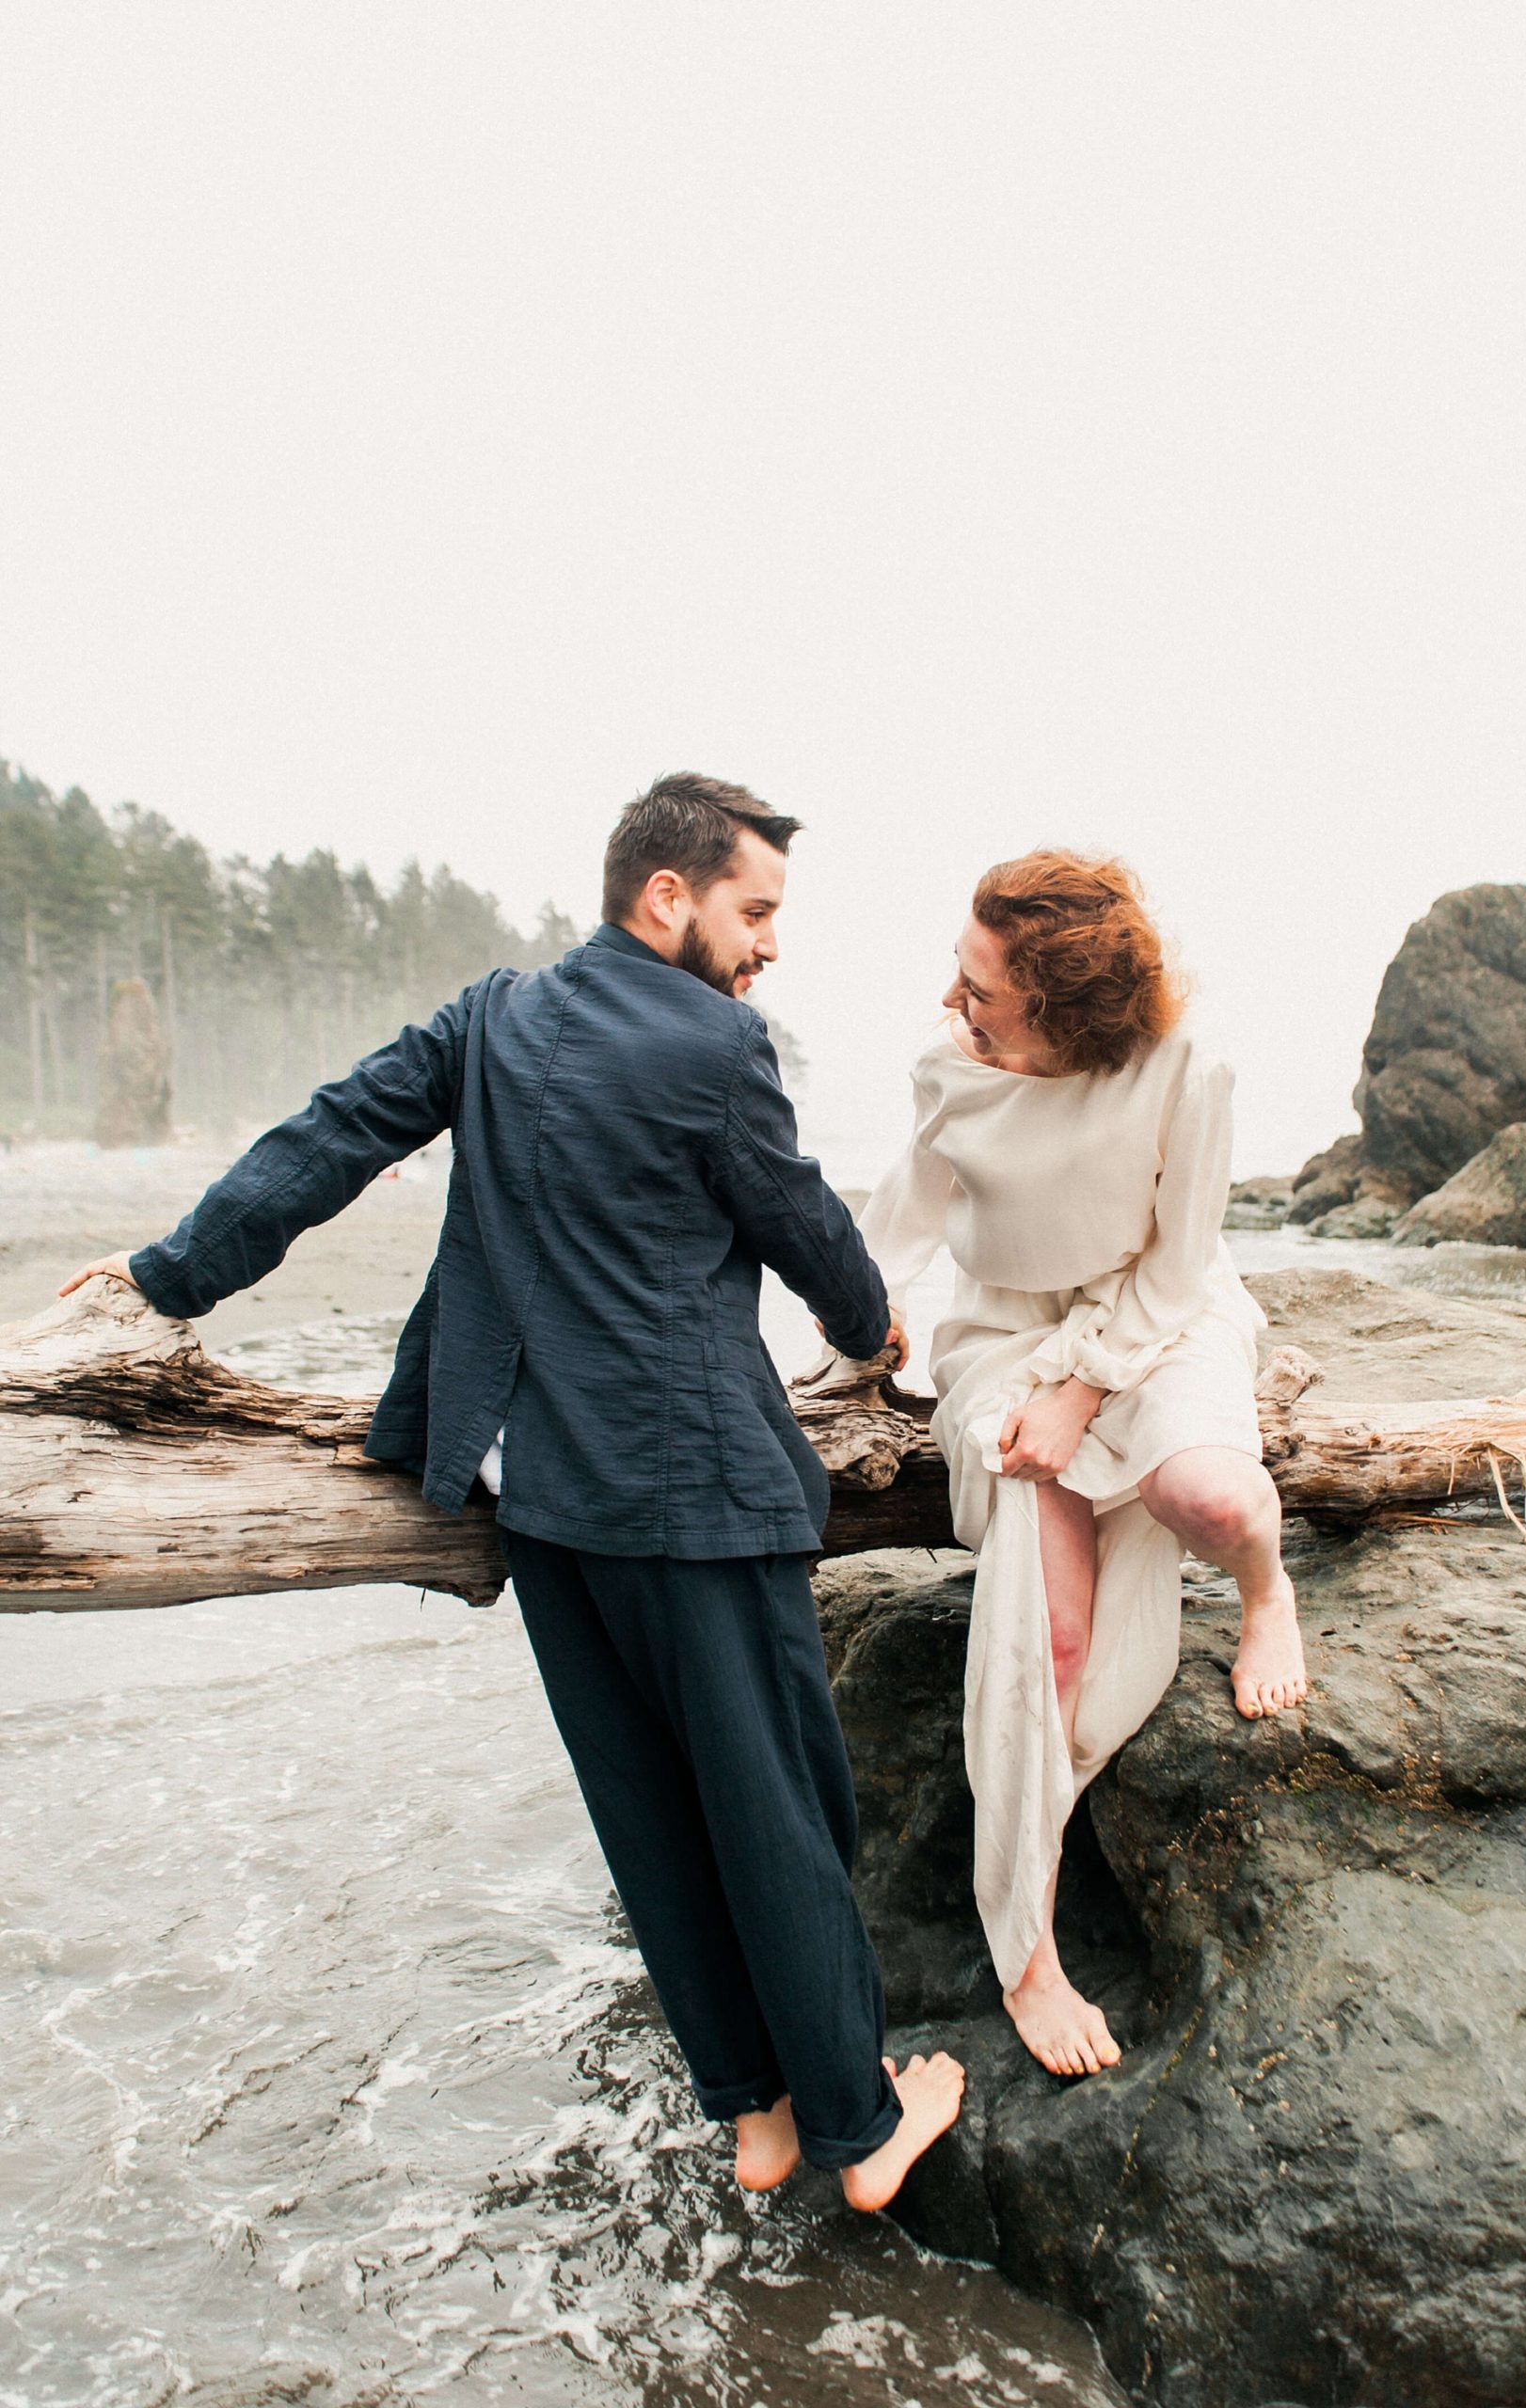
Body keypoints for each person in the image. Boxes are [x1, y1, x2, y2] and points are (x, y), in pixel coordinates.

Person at [61, 771, 963, 2210]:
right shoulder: (722, 1044)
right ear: (666, 894)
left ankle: (758, 2118)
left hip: (541, 1500)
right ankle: (860, 2131)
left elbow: (328, 1142)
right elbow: (799, 1221)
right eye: (757, 910)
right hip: (700, 1497)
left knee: (653, 1821)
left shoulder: (491, 1017)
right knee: (781, 1811)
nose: (770, 945)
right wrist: (872, 1332)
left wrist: (168, 1277)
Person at [857, 848, 1306, 2081]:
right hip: (1004, 1337)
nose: (955, 1005)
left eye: (980, 990)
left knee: (1202, 1493)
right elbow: (900, 1213)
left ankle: (1270, 1593)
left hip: (1155, 1324)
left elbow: (1176, 1267)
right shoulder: (952, 1069)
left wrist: (1089, 1385)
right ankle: (1030, 1944)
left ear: (1062, 1012)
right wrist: (858, 1313)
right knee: (1043, 1632)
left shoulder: (1186, 1069)